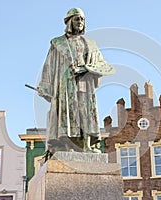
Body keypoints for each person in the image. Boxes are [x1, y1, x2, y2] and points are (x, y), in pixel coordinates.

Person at [37, 8, 115, 154]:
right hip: (65, 84)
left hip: (85, 84)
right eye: (77, 19)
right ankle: (67, 146)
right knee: (67, 114)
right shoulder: (58, 43)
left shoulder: (90, 44)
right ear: (69, 22)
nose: (80, 22)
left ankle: (87, 146)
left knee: (86, 114)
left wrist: (85, 68)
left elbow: (103, 65)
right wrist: (45, 86)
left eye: (82, 19)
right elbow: (49, 65)